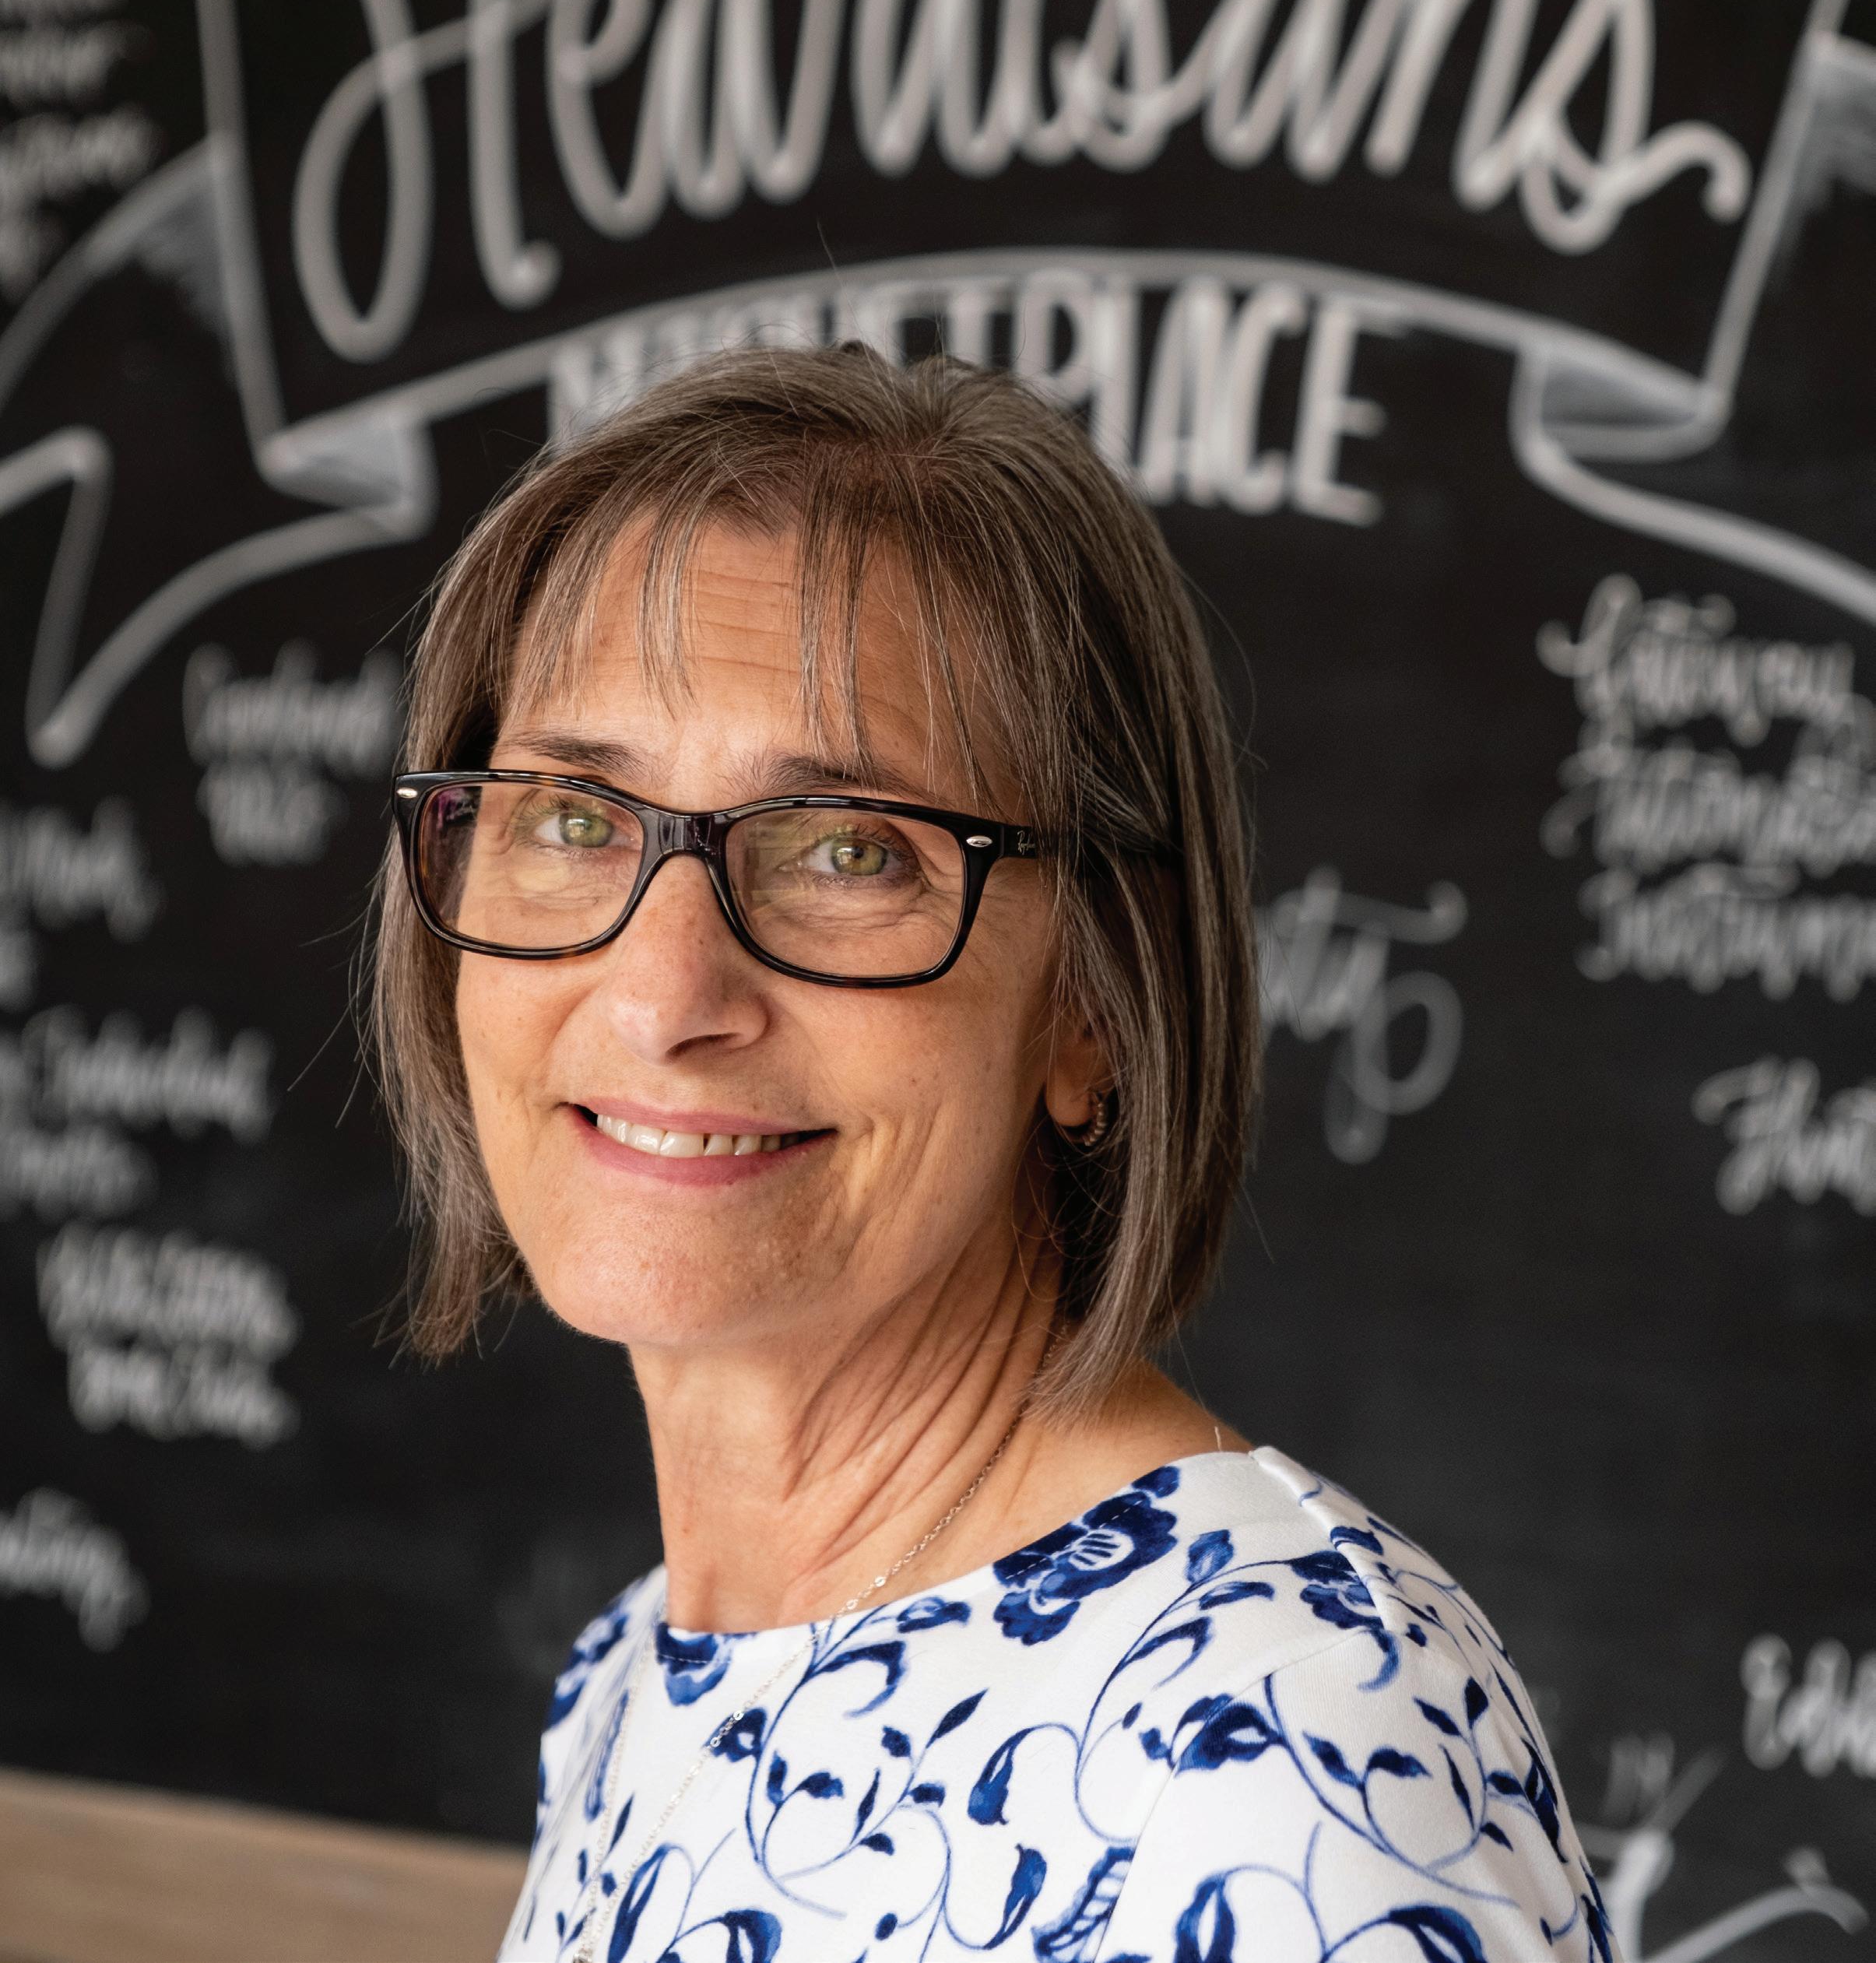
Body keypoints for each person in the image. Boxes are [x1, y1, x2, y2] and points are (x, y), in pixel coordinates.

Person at [371, 342, 1612, 1963]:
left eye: (845, 849)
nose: (663, 995)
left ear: (1094, 1001)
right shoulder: (641, 1669)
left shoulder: (1274, 1748)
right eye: (572, 817)